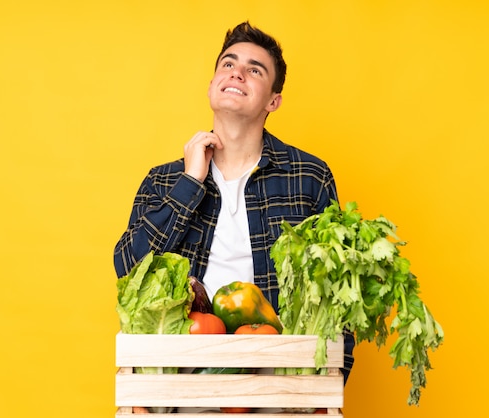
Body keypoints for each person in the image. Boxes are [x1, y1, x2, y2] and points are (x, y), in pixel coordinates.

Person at [113, 21, 354, 381]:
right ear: (212, 85)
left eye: (254, 70)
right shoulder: (164, 180)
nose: (237, 73)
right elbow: (128, 269)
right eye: (228, 64)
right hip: (181, 385)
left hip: (280, 384)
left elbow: (341, 296)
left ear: (274, 100)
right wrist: (190, 183)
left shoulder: (309, 177)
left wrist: (326, 390)